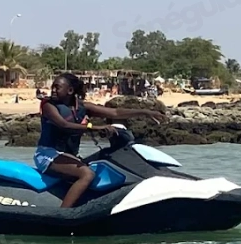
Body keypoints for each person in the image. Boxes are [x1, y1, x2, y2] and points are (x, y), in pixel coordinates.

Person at [36, 72, 167, 209]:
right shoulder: (49, 106)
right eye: (53, 87)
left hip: (68, 156)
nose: (53, 91)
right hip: (47, 155)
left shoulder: (82, 107)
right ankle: (63, 214)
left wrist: (145, 112)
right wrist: (95, 128)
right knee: (87, 174)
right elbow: (64, 124)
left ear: (70, 90)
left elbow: (115, 113)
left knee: (105, 157)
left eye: (57, 87)